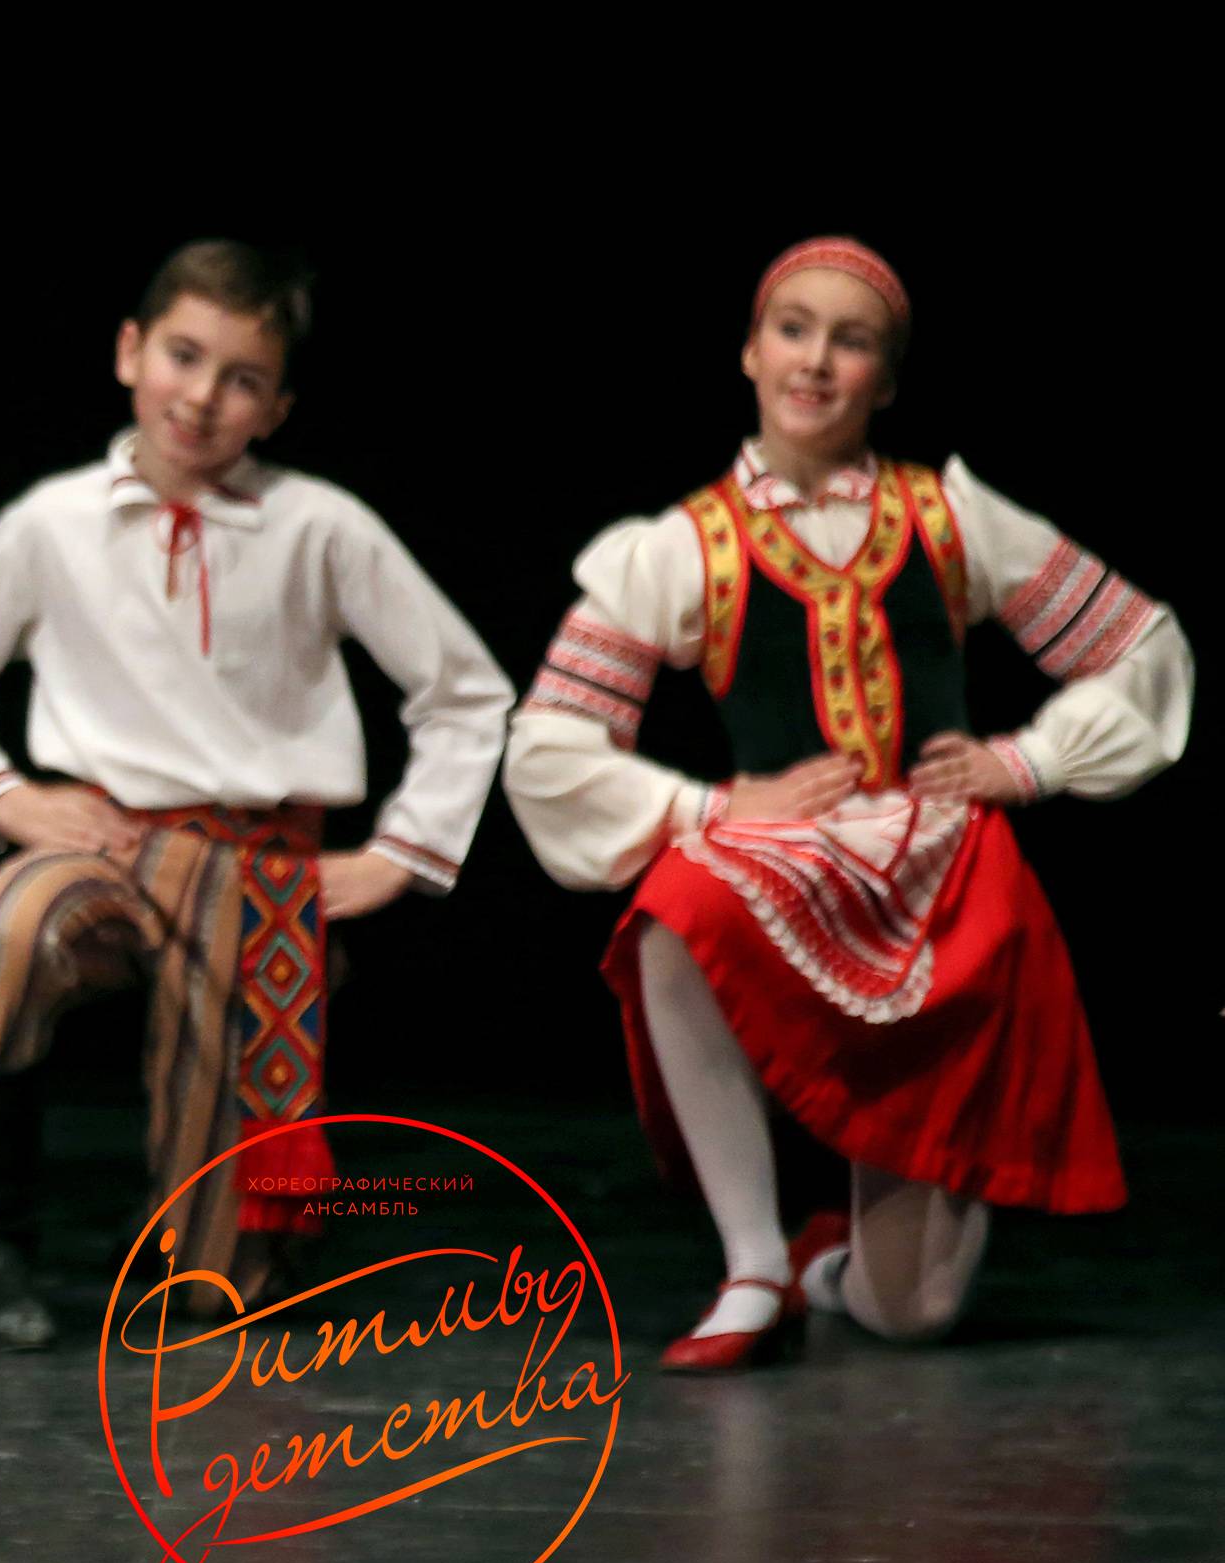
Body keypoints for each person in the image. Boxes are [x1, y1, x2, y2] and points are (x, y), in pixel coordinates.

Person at [500, 237, 1192, 1372]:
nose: (817, 361)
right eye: (794, 329)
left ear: (888, 377)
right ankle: (754, 1260)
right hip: (786, 858)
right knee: (678, 900)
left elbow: (1141, 644)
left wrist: (1028, 762)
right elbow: (550, 742)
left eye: (851, 339)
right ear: (749, 351)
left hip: (942, 880)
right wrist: (717, 801)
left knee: (911, 1313)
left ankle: (831, 1270)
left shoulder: (947, 516)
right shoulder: (690, 545)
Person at [0, 240, 512, 1349]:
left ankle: (203, 1245)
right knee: (0, 938)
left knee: (209, 1293)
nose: (204, 396)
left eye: (241, 378)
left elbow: (464, 691)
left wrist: (401, 852)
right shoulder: (55, 520)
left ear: (276, 407)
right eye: (184, 355)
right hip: (106, 840)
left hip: (258, 868)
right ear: (131, 352)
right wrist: (8, 797)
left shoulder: (319, 526)